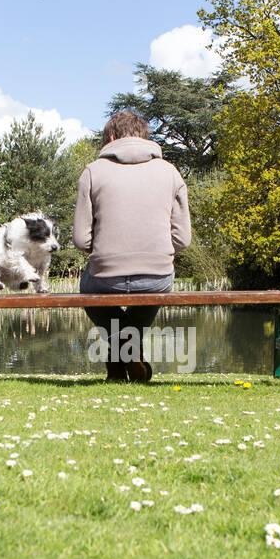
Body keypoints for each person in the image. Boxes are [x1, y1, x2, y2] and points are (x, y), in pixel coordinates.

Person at [73, 110, 191, 382]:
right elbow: (183, 240)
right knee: (158, 283)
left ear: (112, 137)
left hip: (105, 278)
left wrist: (104, 248)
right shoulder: (170, 172)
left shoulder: (92, 171)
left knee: (87, 287)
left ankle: (118, 358)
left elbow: (81, 240)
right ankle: (127, 353)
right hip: (156, 275)